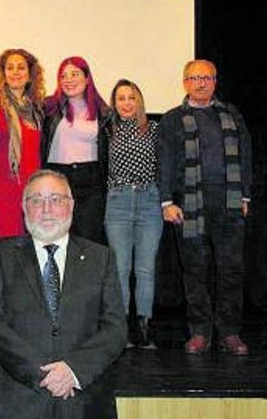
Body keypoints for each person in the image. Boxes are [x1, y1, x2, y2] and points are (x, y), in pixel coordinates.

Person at [0, 169, 126, 419]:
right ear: (24, 208)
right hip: (18, 400)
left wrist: (73, 371)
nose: (46, 209)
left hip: (83, 400)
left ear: (71, 205)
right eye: (36, 200)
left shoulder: (101, 258)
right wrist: (43, 375)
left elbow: (115, 329)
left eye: (56, 199)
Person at [158, 59, 252, 356]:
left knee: (231, 270)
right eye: (195, 78)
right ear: (185, 82)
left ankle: (229, 332)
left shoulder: (231, 114)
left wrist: (245, 197)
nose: (201, 83)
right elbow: (165, 162)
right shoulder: (173, 119)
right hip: (189, 204)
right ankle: (200, 332)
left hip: (229, 203)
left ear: (215, 82)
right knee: (195, 270)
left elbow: (246, 154)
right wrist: (167, 202)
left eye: (207, 78)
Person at [104, 79, 162, 349]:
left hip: (150, 200)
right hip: (117, 201)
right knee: (119, 269)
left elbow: (165, 165)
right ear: (114, 104)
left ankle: (144, 327)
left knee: (145, 268)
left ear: (139, 101)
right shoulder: (106, 131)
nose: (126, 103)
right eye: (121, 98)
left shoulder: (154, 129)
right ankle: (122, 330)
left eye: (131, 97)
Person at [0, 48, 45, 241]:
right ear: (2, 73)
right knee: (2, 249)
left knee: (27, 250)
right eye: (9, 68)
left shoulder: (36, 109)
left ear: (30, 74)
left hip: (30, 191)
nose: (15, 72)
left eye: (21, 67)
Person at [42, 56, 110, 244]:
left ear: (87, 78)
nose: (69, 80)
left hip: (91, 181)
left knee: (87, 241)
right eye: (63, 76)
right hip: (56, 178)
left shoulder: (103, 112)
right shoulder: (48, 107)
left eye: (75, 74)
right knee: (55, 238)